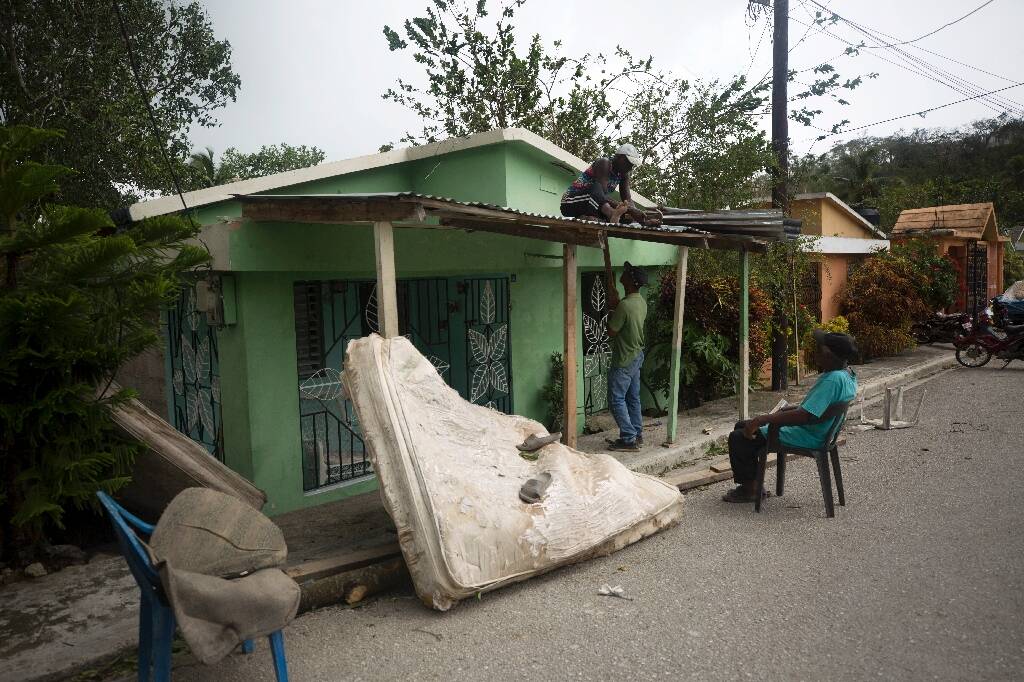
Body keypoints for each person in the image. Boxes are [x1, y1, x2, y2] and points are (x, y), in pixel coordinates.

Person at [721, 329, 859, 503]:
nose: (815, 352)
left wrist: (761, 419)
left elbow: (803, 416)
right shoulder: (847, 374)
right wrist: (781, 412)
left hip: (808, 434)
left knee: (738, 438)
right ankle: (754, 483)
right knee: (742, 425)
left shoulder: (832, 380)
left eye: (819, 349)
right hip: (820, 431)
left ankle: (751, 490)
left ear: (829, 355)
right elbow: (814, 408)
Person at [604, 262, 649, 452]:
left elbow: (611, 332)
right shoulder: (640, 301)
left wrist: (611, 309)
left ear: (630, 281)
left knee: (616, 399)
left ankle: (629, 439)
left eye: (626, 273)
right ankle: (637, 433)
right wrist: (617, 305)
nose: (622, 274)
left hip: (624, 359)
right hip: (637, 356)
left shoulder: (624, 305)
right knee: (632, 398)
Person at [560, 143, 646, 224]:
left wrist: (641, 218)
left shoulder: (624, 174)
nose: (630, 167)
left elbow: (627, 199)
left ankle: (591, 217)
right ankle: (611, 214)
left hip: (593, 204)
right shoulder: (604, 163)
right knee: (597, 188)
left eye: (632, 165)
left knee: (627, 218)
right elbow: (602, 196)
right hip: (569, 202)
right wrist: (630, 210)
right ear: (620, 157)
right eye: (629, 163)